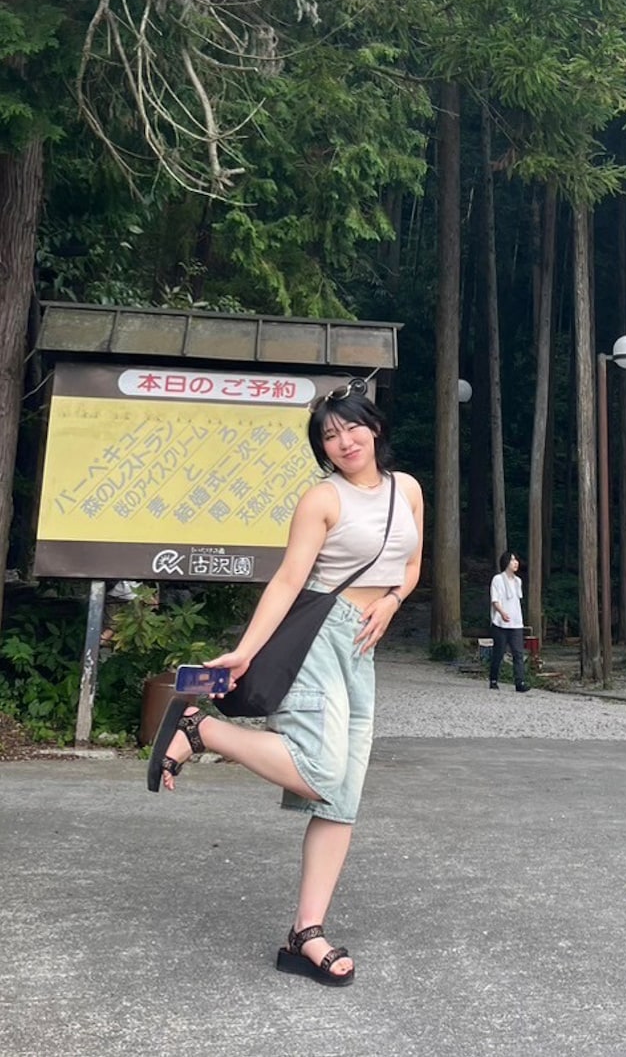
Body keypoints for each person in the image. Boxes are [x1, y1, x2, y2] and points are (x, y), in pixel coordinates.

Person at [146, 378, 423, 987]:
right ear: (322, 449)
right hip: (318, 635)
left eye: (352, 427)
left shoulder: (407, 490)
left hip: (362, 646)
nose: (344, 441)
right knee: (321, 771)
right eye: (330, 436)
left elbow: (410, 562)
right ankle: (201, 730)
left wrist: (393, 600)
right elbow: (288, 580)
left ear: (375, 428)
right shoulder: (321, 500)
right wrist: (245, 652)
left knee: (341, 798)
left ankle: (306, 934)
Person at [489, 551, 529, 693]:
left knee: (518, 653)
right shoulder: (498, 579)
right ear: (506, 562)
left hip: (516, 623)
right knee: (499, 653)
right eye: (512, 560)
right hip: (500, 623)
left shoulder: (518, 581)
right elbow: (495, 600)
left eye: (516, 560)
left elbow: (516, 600)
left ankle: (520, 682)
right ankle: (493, 679)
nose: (515, 563)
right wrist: (502, 612)